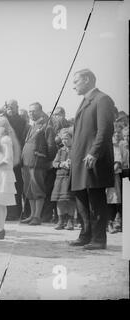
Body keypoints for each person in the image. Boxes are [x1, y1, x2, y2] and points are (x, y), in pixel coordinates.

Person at [69, 69, 115, 250]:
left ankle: (98, 239)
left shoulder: (102, 99)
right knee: (81, 198)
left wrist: (94, 153)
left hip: (92, 159)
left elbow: (105, 130)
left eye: (76, 81)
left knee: (95, 199)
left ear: (87, 80)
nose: (73, 86)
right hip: (80, 160)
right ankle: (85, 234)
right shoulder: (86, 101)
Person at [21, 102, 57, 225]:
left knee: (38, 189)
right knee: (29, 190)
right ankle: (32, 215)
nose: (31, 113)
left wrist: (47, 160)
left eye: (34, 111)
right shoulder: (32, 126)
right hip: (26, 162)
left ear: (41, 111)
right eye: (29, 111)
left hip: (37, 163)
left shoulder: (47, 126)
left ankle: (37, 216)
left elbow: (52, 147)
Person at [0, 116, 19, 239]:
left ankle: (0, 228)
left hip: (2, 173)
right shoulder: (2, 139)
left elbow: (7, 159)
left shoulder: (6, 139)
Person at [3, 99, 29, 221]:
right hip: (4, 155)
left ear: (17, 107)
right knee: (5, 185)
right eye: (8, 106)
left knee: (16, 186)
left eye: (12, 106)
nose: (10, 108)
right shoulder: (4, 118)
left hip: (16, 156)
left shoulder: (20, 121)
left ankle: (15, 212)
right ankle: (7, 212)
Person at [51, 127, 76, 230]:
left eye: (67, 138)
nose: (65, 141)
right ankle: (61, 220)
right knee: (60, 200)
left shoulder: (76, 149)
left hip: (71, 178)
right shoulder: (60, 151)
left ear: (72, 138)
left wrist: (72, 164)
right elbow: (54, 163)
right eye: (63, 139)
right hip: (60, 178)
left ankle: (70, 220)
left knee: (70, 199)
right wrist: (62, 164)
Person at [105, 128, 123, 234]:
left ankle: (111, 222)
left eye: (118, 134)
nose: (116, 135)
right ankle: (106, 222)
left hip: (112, 176)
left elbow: (117, 163)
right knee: (104, 199)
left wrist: (110, 172)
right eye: (114, 134)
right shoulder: (105, 146)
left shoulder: (116, 147)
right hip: (103, 177)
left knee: (113, 200)